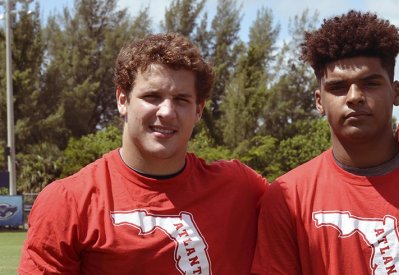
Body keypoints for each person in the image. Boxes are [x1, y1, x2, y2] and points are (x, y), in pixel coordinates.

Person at [252, 10, 399, 274]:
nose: (354, 97)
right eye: (338, 87)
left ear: (395, 92)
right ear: (319, 101)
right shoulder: (287, 195)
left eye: (370, 83)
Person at [19, 33, 268, 274]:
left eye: (181, 99)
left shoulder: (241, 188)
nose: (167, 112)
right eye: (152, 96)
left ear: (198, 111)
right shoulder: (68, 202)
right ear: (122, 100)